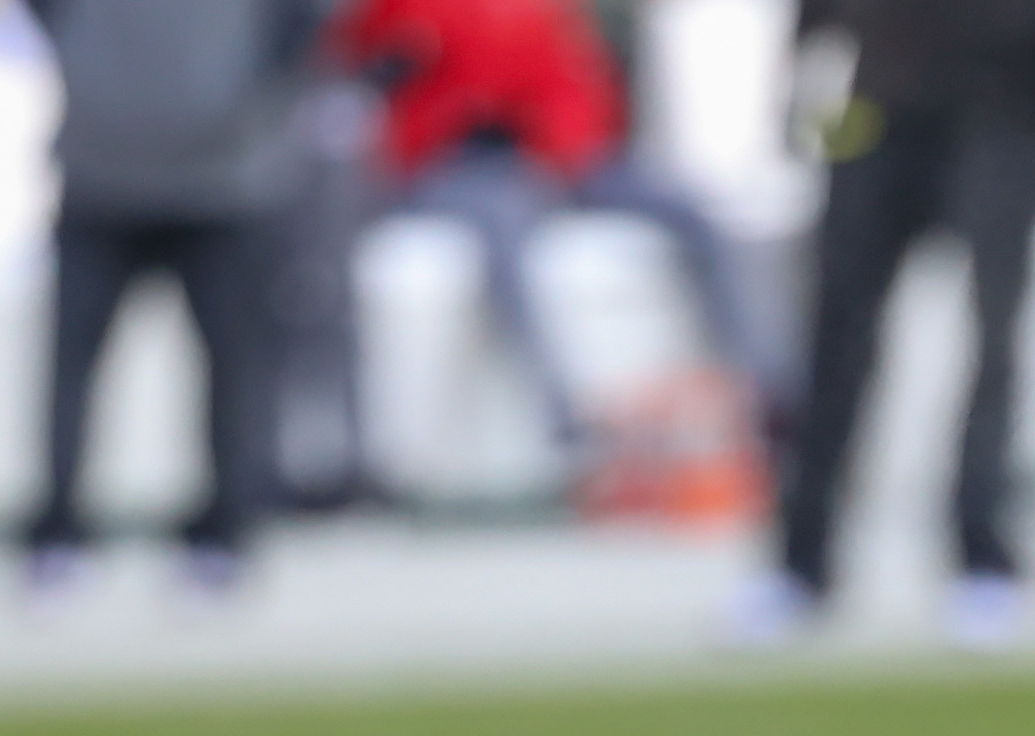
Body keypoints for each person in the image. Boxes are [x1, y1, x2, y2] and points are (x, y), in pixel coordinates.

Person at [728, 0, 1035, 652]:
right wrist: (802, 94)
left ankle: (982, 555)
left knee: (993, 336)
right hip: (875, 99)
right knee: (836, 332)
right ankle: (801, 562)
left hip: (1004, 103)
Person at [334, 0, 786, 484]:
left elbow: (578, 86)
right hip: (461, 164)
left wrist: (558, 156)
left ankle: (771, 385)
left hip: (562, 156)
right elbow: (356, 72)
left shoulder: (546, 10)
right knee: (506, 229)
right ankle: (563, 412)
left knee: (691, 211)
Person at [22, 0, 326, 592]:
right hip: (99, 167)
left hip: (224, 178)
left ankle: (224, 531)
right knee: (72, 362)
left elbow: (301, 22)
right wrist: (91, 72)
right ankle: (58, 528)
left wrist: (247, 94)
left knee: (233, 365)